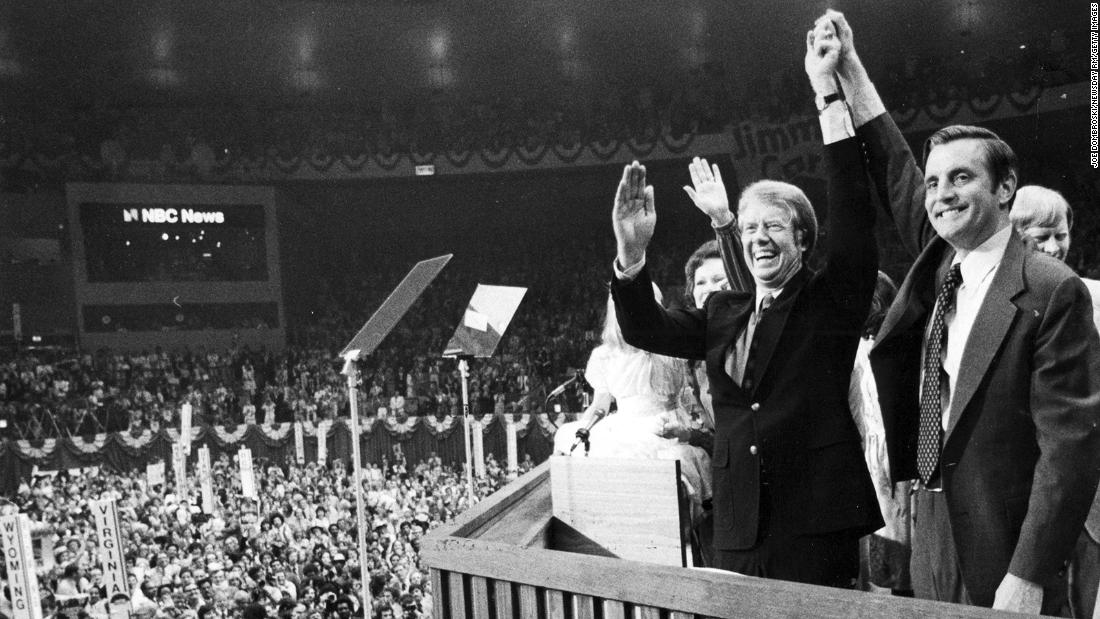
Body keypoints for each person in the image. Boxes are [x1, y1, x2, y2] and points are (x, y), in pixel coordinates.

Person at [817, 9, 1100, 613]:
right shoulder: (941, 261)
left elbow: (1070, 449)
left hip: (1010, 535)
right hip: (933, 516)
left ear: (1004, 190)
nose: (941, 194)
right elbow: (895, 165)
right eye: (936, 181)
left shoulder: (1053, 289)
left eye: (961, 177)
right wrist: (849, 69)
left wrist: (1029, 571)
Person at [607, 26, 881, 588]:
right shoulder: (725, 310)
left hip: (814, 524)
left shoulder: (829, 301)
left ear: (803, 239)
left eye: (773, 226)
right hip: (737, 524)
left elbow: (853, 207)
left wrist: (828, 99)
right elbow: (642, 327)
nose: (757, 237)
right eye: (749, 225)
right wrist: (630, 255)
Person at [1009, 185, 1100, 618]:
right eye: (1039, 235)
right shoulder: (1000, 306)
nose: (1052, 247)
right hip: (1025, 491)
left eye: (1059, 234)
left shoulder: (1095, 296)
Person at [552, 292, 711, 509]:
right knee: (569, 436)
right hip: (624, 422)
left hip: (661, 425)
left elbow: (685, 397)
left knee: (647, 458)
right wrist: (584, 428)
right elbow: (600, 404)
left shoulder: (670, 348)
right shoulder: (604, 355)